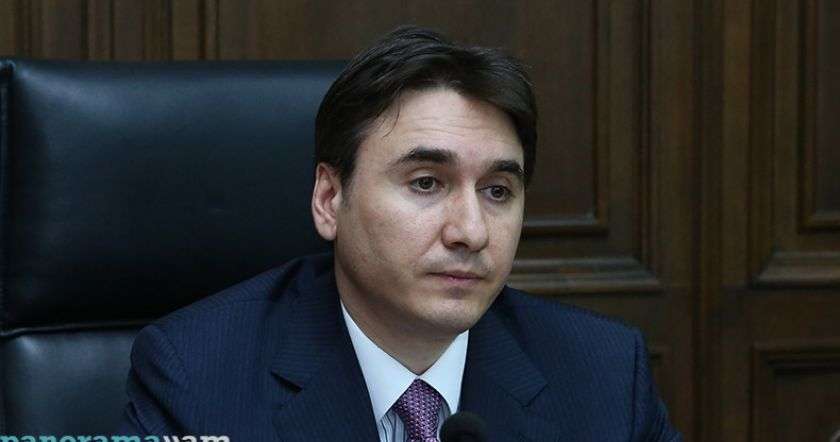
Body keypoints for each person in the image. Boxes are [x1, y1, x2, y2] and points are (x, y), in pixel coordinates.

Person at [117, 26, 681, 442]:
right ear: (329, 199)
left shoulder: (604, 375)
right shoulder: (196, 377)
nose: (470, 232)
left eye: (497, 191)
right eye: (426, 183)